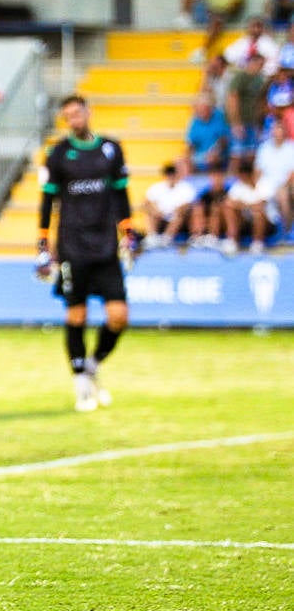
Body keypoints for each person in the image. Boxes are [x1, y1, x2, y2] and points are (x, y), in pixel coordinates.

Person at [35, 95, 133, 413]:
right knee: (76, 316)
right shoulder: (59, 153)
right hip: (72, 247)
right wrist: (42, 242)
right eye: (68, 117)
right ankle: (81, 384)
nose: (74, 120)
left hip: (106, 246)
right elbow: (48, 201)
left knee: (118, 316)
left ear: (88, 113)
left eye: (77, 114)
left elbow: (121, 195)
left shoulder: (111, 149)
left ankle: (93, 363)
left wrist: (128, 232)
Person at [141, 163, 197, 250]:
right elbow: (145, 203)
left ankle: (167, 238)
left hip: (178, 218)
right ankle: (152, 237)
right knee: (150, 213)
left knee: (179, 216)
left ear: (176, 174)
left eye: (172, 174)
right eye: (168, 174)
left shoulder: (185, 187)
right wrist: (155, 211)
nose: (170, 176)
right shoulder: (157, 187)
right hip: (161, 217)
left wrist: (177, 211)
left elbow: (187, 205)